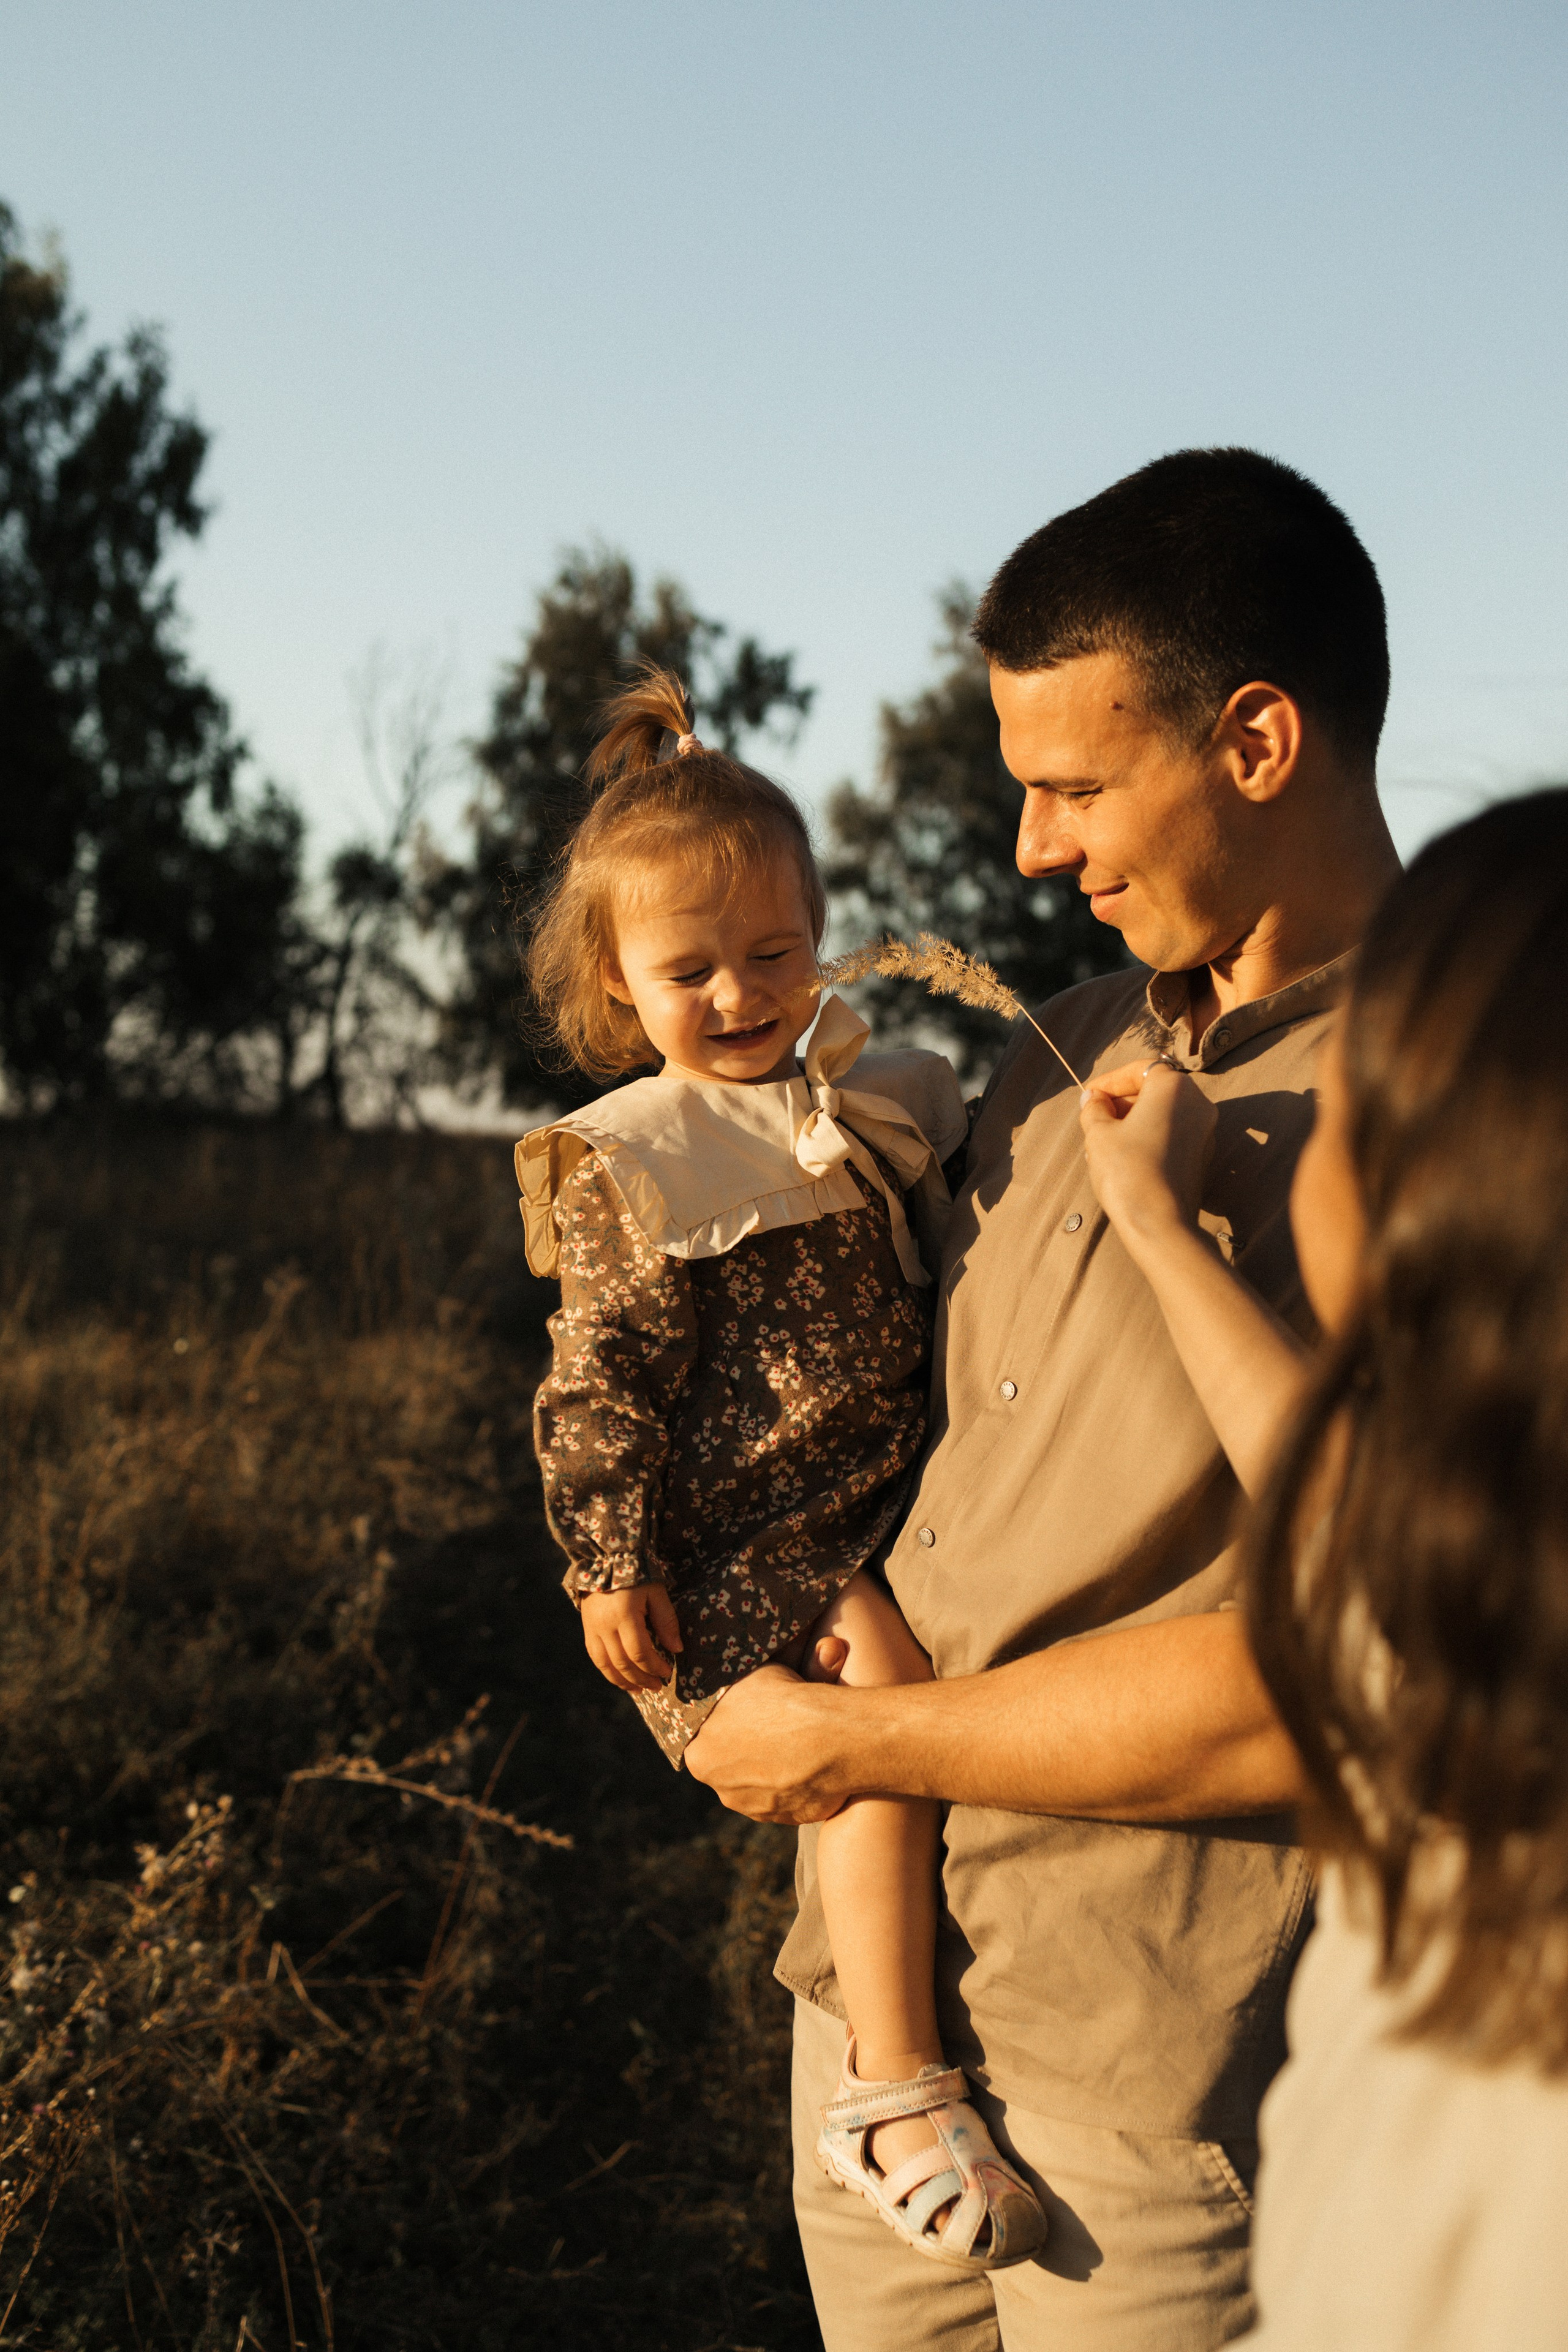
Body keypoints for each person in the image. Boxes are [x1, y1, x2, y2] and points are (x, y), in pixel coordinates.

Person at [687, 446, 1401, 2350]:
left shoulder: (1472, 1110)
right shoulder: (1038, 1060)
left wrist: (853, 1754)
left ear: (1256, 740)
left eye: (1076, 786)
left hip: (1165, 2102)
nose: (1029, 851)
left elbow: (1343, 1688)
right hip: (876, 2025)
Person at [516, 668, 1048, 2273]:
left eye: (774, 953)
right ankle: (888, 2085)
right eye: (694, 970)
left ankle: (908, 2048)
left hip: (879, 1494)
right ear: (620, 980)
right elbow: (597, 1380)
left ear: (822, 933)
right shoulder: (643, 1156)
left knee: (918, 1677)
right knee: (878, 1705)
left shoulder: (881, 1098)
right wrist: (612, 1554)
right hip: (750, 1533)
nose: (742, 995)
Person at [1079, 786, 1568, 2348]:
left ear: (1460, 1180)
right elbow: (1329, 1502)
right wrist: (1157, 1233)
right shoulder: (1483, 1566)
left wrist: (843, 1744)